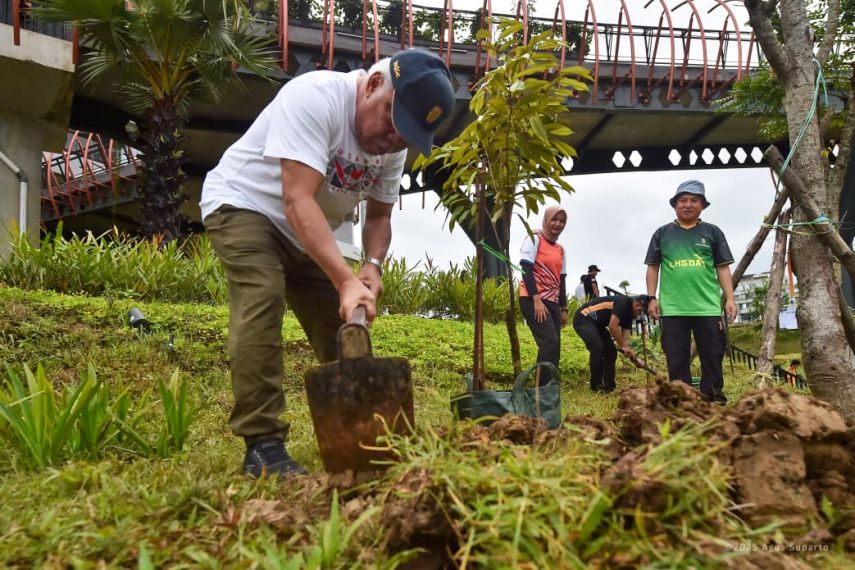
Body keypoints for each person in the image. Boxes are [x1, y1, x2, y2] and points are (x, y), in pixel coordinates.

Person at [200, 49, 455, 477]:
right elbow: (297, 199)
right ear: (374, 84)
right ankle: (263, 445)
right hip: (246, 205)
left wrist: (371, 266)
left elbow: (379, 217)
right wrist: (344, 279)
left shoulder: (392, 146)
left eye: (407, 136)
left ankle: (366, 437)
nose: (394, 140)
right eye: (393, 121)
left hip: (306, 230)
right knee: (262, 298)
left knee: (341, 329)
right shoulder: (315, 97)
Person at [644, 180, 737, 404]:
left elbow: (722, 268)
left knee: (712, 355)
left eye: (694, 200)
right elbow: (653, 267)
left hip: (707, 307)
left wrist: (730, 298)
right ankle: (682, 400)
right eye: (683, 200)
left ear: (702, 205)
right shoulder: (662, 234)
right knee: (676, 357)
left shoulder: (713, 232)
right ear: (675, 204)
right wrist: (651, 298)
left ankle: (713, 398)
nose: (688, 204)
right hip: (673, 308)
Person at [519, 206, 569, 386]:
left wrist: (564, 307)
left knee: (555, 345)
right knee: (549, 341)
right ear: (546, 220)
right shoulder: (534, 239)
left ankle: (549, 386)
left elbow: (561, 280)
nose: (558, 224)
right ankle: (540, 388)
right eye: (554, 219)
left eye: (562, 221)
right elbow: (526, 269)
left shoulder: (560, 249)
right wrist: (536, 299)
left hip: (552, 301)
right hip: (532, 298)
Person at [573, 294, 650, 393]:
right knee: (597, 347)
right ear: (637, 305)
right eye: (640, 312)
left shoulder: (629, 316)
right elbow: (613, 326)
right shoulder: (624, 303)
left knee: (611, 351)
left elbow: (624, 343)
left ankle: (609, 386)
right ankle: (596, 386)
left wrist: (635, 359)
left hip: (597, 325)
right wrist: (624, 346)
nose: (639, 315)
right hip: (583, 318)